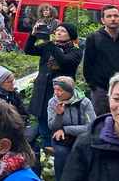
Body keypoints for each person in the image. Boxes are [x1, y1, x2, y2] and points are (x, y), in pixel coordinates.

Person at [27, 22, 82, 166]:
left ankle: (59, 160)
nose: (58, 33)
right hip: (42, 92)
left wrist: (50, 44)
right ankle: (47, 160)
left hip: (58, 95)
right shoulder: (48, 47)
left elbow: (64, 61)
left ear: (71, 35)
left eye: (63, 31)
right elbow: (28, 50)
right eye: (57, 30)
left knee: (57, 127)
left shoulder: (75, 51)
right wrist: (33, 35)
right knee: (44, 126)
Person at [83, 5, 119, 115]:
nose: (113, 19)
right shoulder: (94, 39)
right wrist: (94, 86)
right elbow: (88, 65)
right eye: (109, 16)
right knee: (101, 123)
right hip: (101, 90)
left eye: (116, 16)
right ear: (103, 20)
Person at [46, 76, 95, 181]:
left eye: (60, 90)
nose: (56, 93)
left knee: (85, 156)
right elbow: (51, 126)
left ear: (69, 91)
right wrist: (59, 114)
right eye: (55, 89)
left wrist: (65, 129)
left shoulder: (84, 102)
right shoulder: (53, 102)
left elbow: (91, 126)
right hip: (62, 140)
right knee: (62, 156)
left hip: (82, 138)